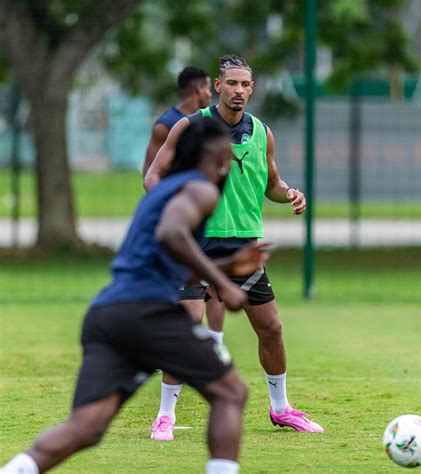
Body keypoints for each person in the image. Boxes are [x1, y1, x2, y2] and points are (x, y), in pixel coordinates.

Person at [1, 118, 271, 474]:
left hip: (108, 313)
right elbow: (171, 234)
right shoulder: (200, 189)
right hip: (149, 313)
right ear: (222, 160)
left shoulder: (163, 190)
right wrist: (225, 284)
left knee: (88, 426)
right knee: (231, 393)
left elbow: (163, 258)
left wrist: (227, 266)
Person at [144, 54, 324, 440]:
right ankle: (165, 415)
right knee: (188, 327)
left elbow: (271, 183)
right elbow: (154, 174)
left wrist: (289, 193)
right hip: (196, 245)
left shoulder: (262, 132)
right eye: (232, 84)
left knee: (272, 328)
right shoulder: (191, 127)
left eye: (246, 84)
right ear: (218, 86)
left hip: (243, 249)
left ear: (252, 89)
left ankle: (281, 410)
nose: (239, 90)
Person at [143, 67, 226, 439]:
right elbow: (152, 172)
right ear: (200, 89)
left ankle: (216, 346)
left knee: (219, 292)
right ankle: (165, 413)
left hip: (216, 229)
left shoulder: (213, 124)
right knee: (185, 316)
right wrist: (172, 207)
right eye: (210, 87)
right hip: (181, 228)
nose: (212, 93)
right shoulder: (170, 125)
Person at [143, 66, 212, 176]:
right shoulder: (165, 125)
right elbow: (150, 173)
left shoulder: (208, 120)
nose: (210, 94)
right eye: (208, 88)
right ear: (198, 89)